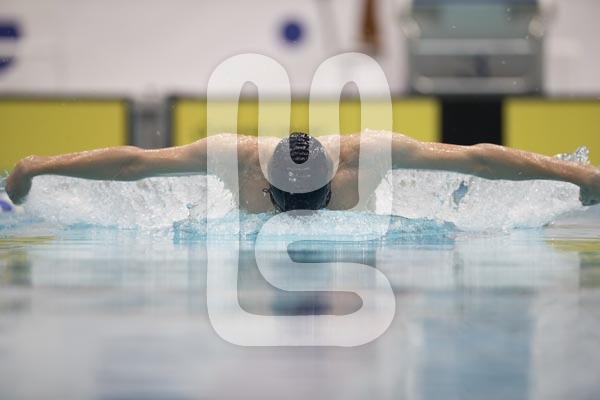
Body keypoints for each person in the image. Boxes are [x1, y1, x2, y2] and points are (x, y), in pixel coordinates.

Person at [5, 131, 600, 213]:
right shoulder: (233, 155)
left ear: (335, 177)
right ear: (261, 182)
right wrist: (36, 167)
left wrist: (578, 176)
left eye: (314, 203)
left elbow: (478, 159)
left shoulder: (369, 152)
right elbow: (136, 163)